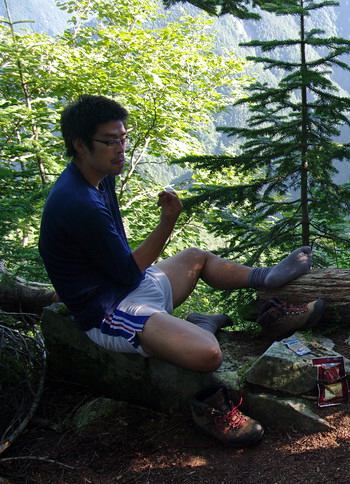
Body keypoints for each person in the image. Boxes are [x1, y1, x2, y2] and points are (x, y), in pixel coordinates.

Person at [38, 95, 325, 448]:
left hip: (128, 287)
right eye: (110, 141)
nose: (121, 148)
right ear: (80, 144)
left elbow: (121, 266)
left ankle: (266, 278)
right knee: (208, 354)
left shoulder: (98, 178)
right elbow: (127, 273)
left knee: (195, 257)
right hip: (110, 312)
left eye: (124, 138)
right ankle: (203, 325)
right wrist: (167, 222)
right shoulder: (78, 203)